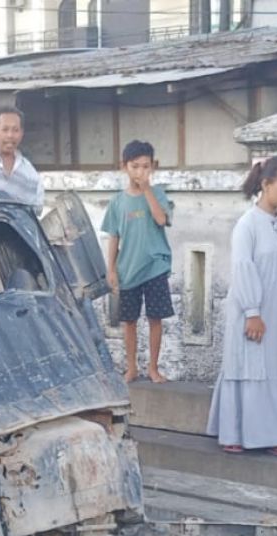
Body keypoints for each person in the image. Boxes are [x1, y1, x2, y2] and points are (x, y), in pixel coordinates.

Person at [207, 155, 277, 461]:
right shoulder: (247, 225)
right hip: (251, 312)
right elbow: (243, 268)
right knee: (247, 366)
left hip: (275, 312)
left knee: (265, 368)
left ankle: (242, 432)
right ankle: (263, 435)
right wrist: (252, 312)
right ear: (266, 184)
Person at [102, 140, 175, 384]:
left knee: (156, 318)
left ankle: (153, 368)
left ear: (152, 168)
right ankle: (131, 367)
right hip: (128, 269)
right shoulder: (117, 202)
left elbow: (161, 219)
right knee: (129, 321)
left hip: (155, 267)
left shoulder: (159, 194)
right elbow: (113, 236)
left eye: (145, 167)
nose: (140, 172)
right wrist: (111, 269)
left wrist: (147, 190)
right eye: (135, 166)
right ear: (124, 167)